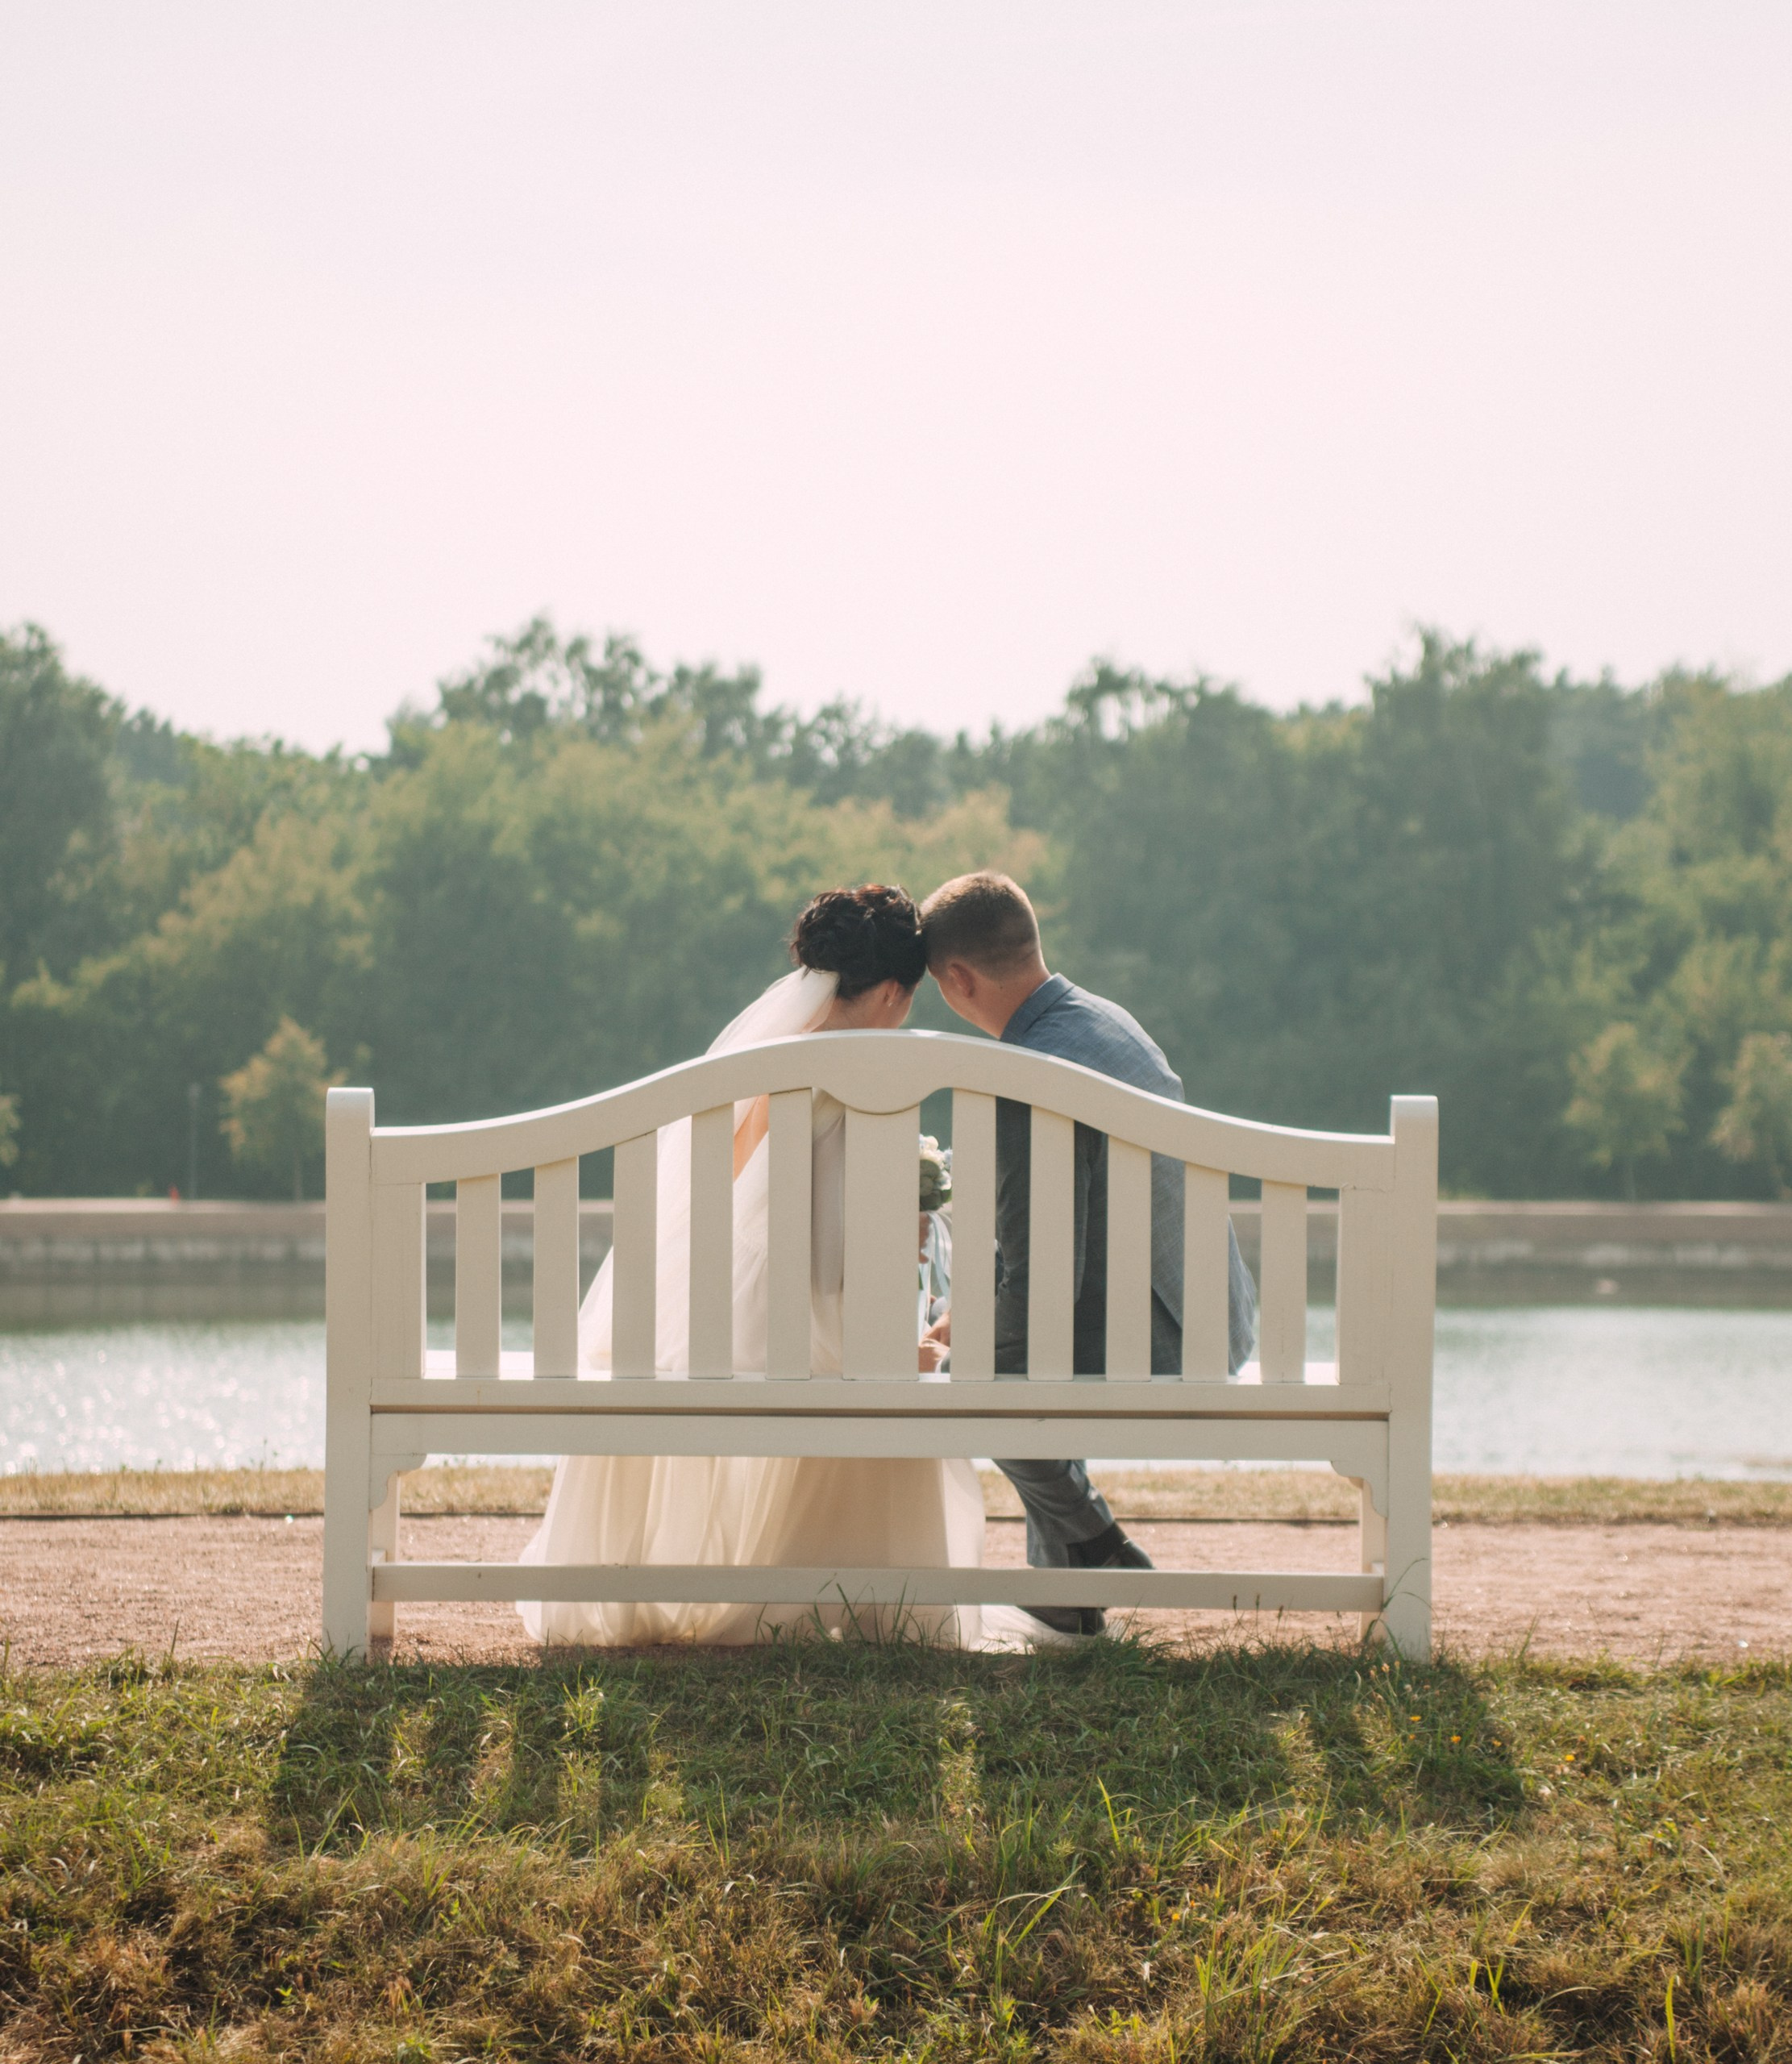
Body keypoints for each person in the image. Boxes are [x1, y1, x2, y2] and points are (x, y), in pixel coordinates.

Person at [518, 884, 987, 1647]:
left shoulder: (760, 1065)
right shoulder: (874, 1079)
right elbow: (841, 1265)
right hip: (811, 1338)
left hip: (704, 1317)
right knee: (882, 1368)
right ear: (896, 993)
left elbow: (734, 1199)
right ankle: (872, 1602)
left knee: (803, 1342)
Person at [920, 871, 1258, 1639]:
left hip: (1158, 1340)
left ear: (958, 979)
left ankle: (1095, 1542)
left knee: (974, 1375)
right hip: (1211, 1316)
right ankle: (1064, 1596)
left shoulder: (1026, 1076)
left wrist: (959, 1337)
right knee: (1004, 1349)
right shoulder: (1105, 1021)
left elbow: (1043, 1285)